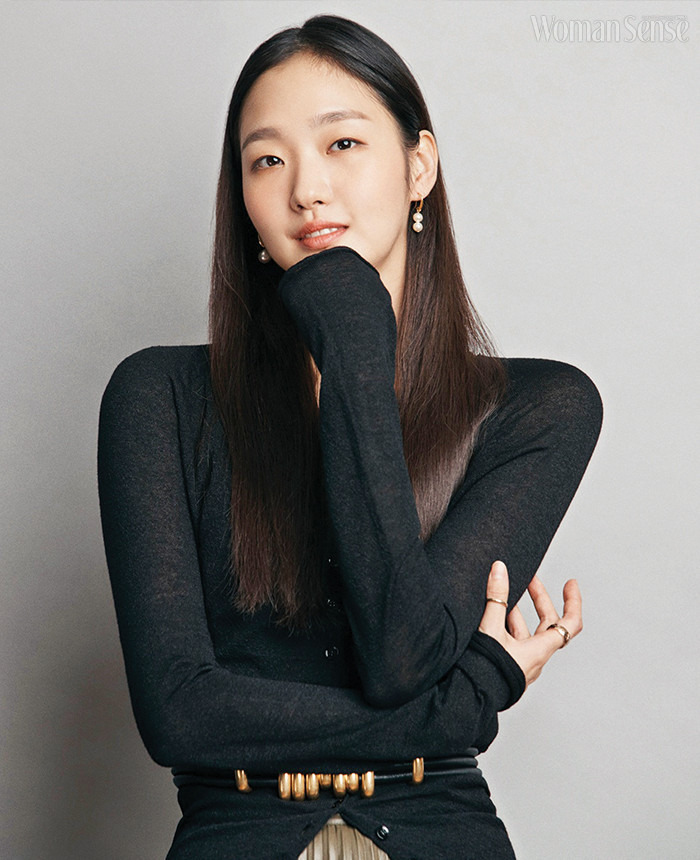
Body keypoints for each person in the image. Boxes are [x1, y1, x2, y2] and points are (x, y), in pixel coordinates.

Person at [97, 15, 602, 860]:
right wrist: (467, 699)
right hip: (236, 834)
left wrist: (354, 343)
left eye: (342, 144)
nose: (306, 190)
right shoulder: (159, 398)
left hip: (442, 832)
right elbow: (179, 714)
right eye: (268, 160)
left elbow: (401, 655)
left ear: (418, 166)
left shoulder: (536, 407)